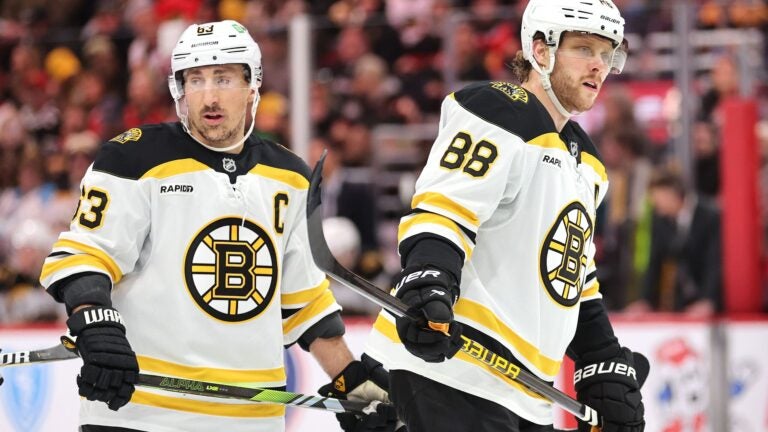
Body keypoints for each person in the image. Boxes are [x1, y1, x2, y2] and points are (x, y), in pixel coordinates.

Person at [39, 20, 397, 432]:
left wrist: (350, 378)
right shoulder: (132, 159)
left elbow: (304, 300)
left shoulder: (291, 177)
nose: (209, 96)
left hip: (251, 420)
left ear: (251, 86)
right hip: (139, 414)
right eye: (195, 80)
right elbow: (85, 256)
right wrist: (96, 323)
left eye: (223, 78)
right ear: (180, 89)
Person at [364, 1, 647, 431]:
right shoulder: (501, 110)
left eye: (608, 54)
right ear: (541, 50)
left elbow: (575, 278)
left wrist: (602, 359)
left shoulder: (587, 161)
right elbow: (445, 209)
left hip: (525, 395)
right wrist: (427, 280)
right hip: (451, 371)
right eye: (584, 49)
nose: (599, 66)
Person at [625, 169, 722, 316]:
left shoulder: (710, 216)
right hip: (682, 302)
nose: (655, 204)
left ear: (671, 194)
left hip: (712, 301)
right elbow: (654, 261)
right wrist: (645, 300)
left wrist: (708, 300)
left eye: (657, 198)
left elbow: (714, 262)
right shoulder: (660, 219)